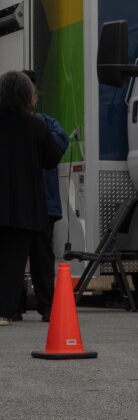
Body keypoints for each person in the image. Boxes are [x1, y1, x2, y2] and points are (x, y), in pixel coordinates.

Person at [0, 71, 64, 326]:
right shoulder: (38, 125)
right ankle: (17, 310)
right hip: (26, 205)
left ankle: (7, 309)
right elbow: (52, 158)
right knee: (25, 259)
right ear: (28, 96)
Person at [17, 70, 69, 322]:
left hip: (43, 204)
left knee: (41, 257)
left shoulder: (47, 124)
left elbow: (59, 146)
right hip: (23, 203)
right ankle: (13, 305)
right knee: (13, 256)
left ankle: (47, 306)